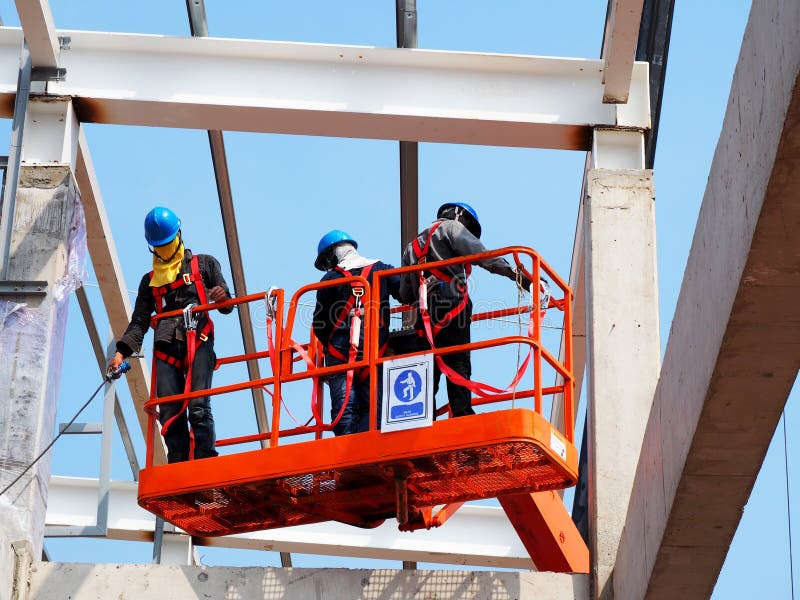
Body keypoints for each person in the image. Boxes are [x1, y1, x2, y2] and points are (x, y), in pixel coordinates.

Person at [107, 206, 233, 463]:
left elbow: (227, 305)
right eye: (160, 246)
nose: (165, 250)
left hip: (199, 339)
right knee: (170, 411)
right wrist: (121, 353)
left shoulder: (205, 264)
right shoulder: (150, 282)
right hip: (166, 345)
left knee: (197, 406)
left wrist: (222, 296)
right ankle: (178, 464)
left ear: (179, 235)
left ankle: (205, 460)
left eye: (167, 243)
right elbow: (139, 322)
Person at [399, 202, 531, 418]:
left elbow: (406, 294)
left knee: (428, 365)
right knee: (457, 359)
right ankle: (462, 414)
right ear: (461, 217)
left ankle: (423, 418)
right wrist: (518, 276)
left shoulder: (411, 248)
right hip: (452, 304)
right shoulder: (452, 228)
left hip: (424, 313)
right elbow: (482, 256)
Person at [312, 230, 401, 435]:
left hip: (340, 357)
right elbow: (405, 292)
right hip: (374, 354)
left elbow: (320, 325)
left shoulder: (329, 279)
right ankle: (368, 447)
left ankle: (349, 452)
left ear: (333, 253)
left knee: (344, 412)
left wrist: (331, 348)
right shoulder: (382, 269)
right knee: (375, 412)